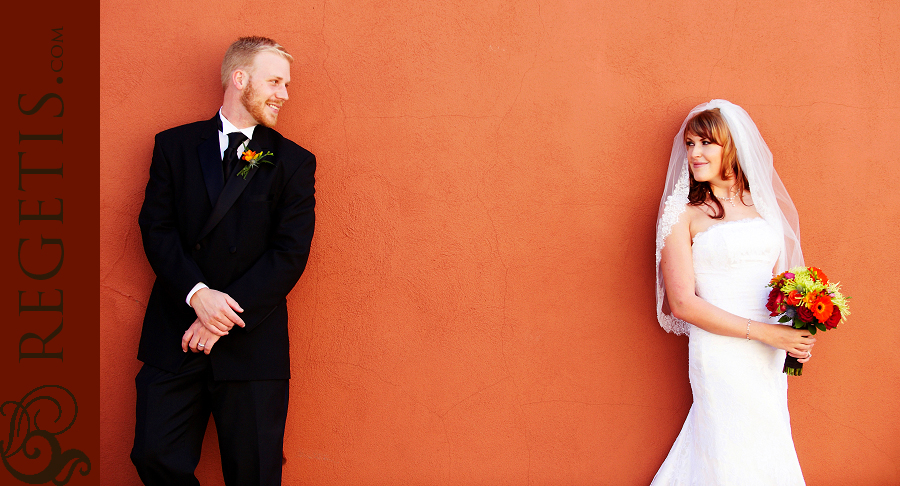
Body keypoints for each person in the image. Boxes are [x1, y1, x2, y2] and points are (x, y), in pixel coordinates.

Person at [131, 36, 315, 486]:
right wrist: (197, 296)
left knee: (254, 475)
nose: (284, 94)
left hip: (251, 343)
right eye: (275, 81)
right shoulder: (173, 146)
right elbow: (157, 229)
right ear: (239, 78)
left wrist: (217, 317)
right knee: (153, 454)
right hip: (177, 334)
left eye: (286, 84)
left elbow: (289, 254)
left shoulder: (292, 161)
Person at [651, 100, 811, 484]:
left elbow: (783, 284)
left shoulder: (765, 207)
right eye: (690, 144)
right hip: (719, 350)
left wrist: (797, 330)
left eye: (706, 143)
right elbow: (682, 303)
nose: (694, 153)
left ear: (733, 147)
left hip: (769, 354)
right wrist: (767, 332)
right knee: (727, 448)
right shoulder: (682, 214)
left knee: (766, 446)